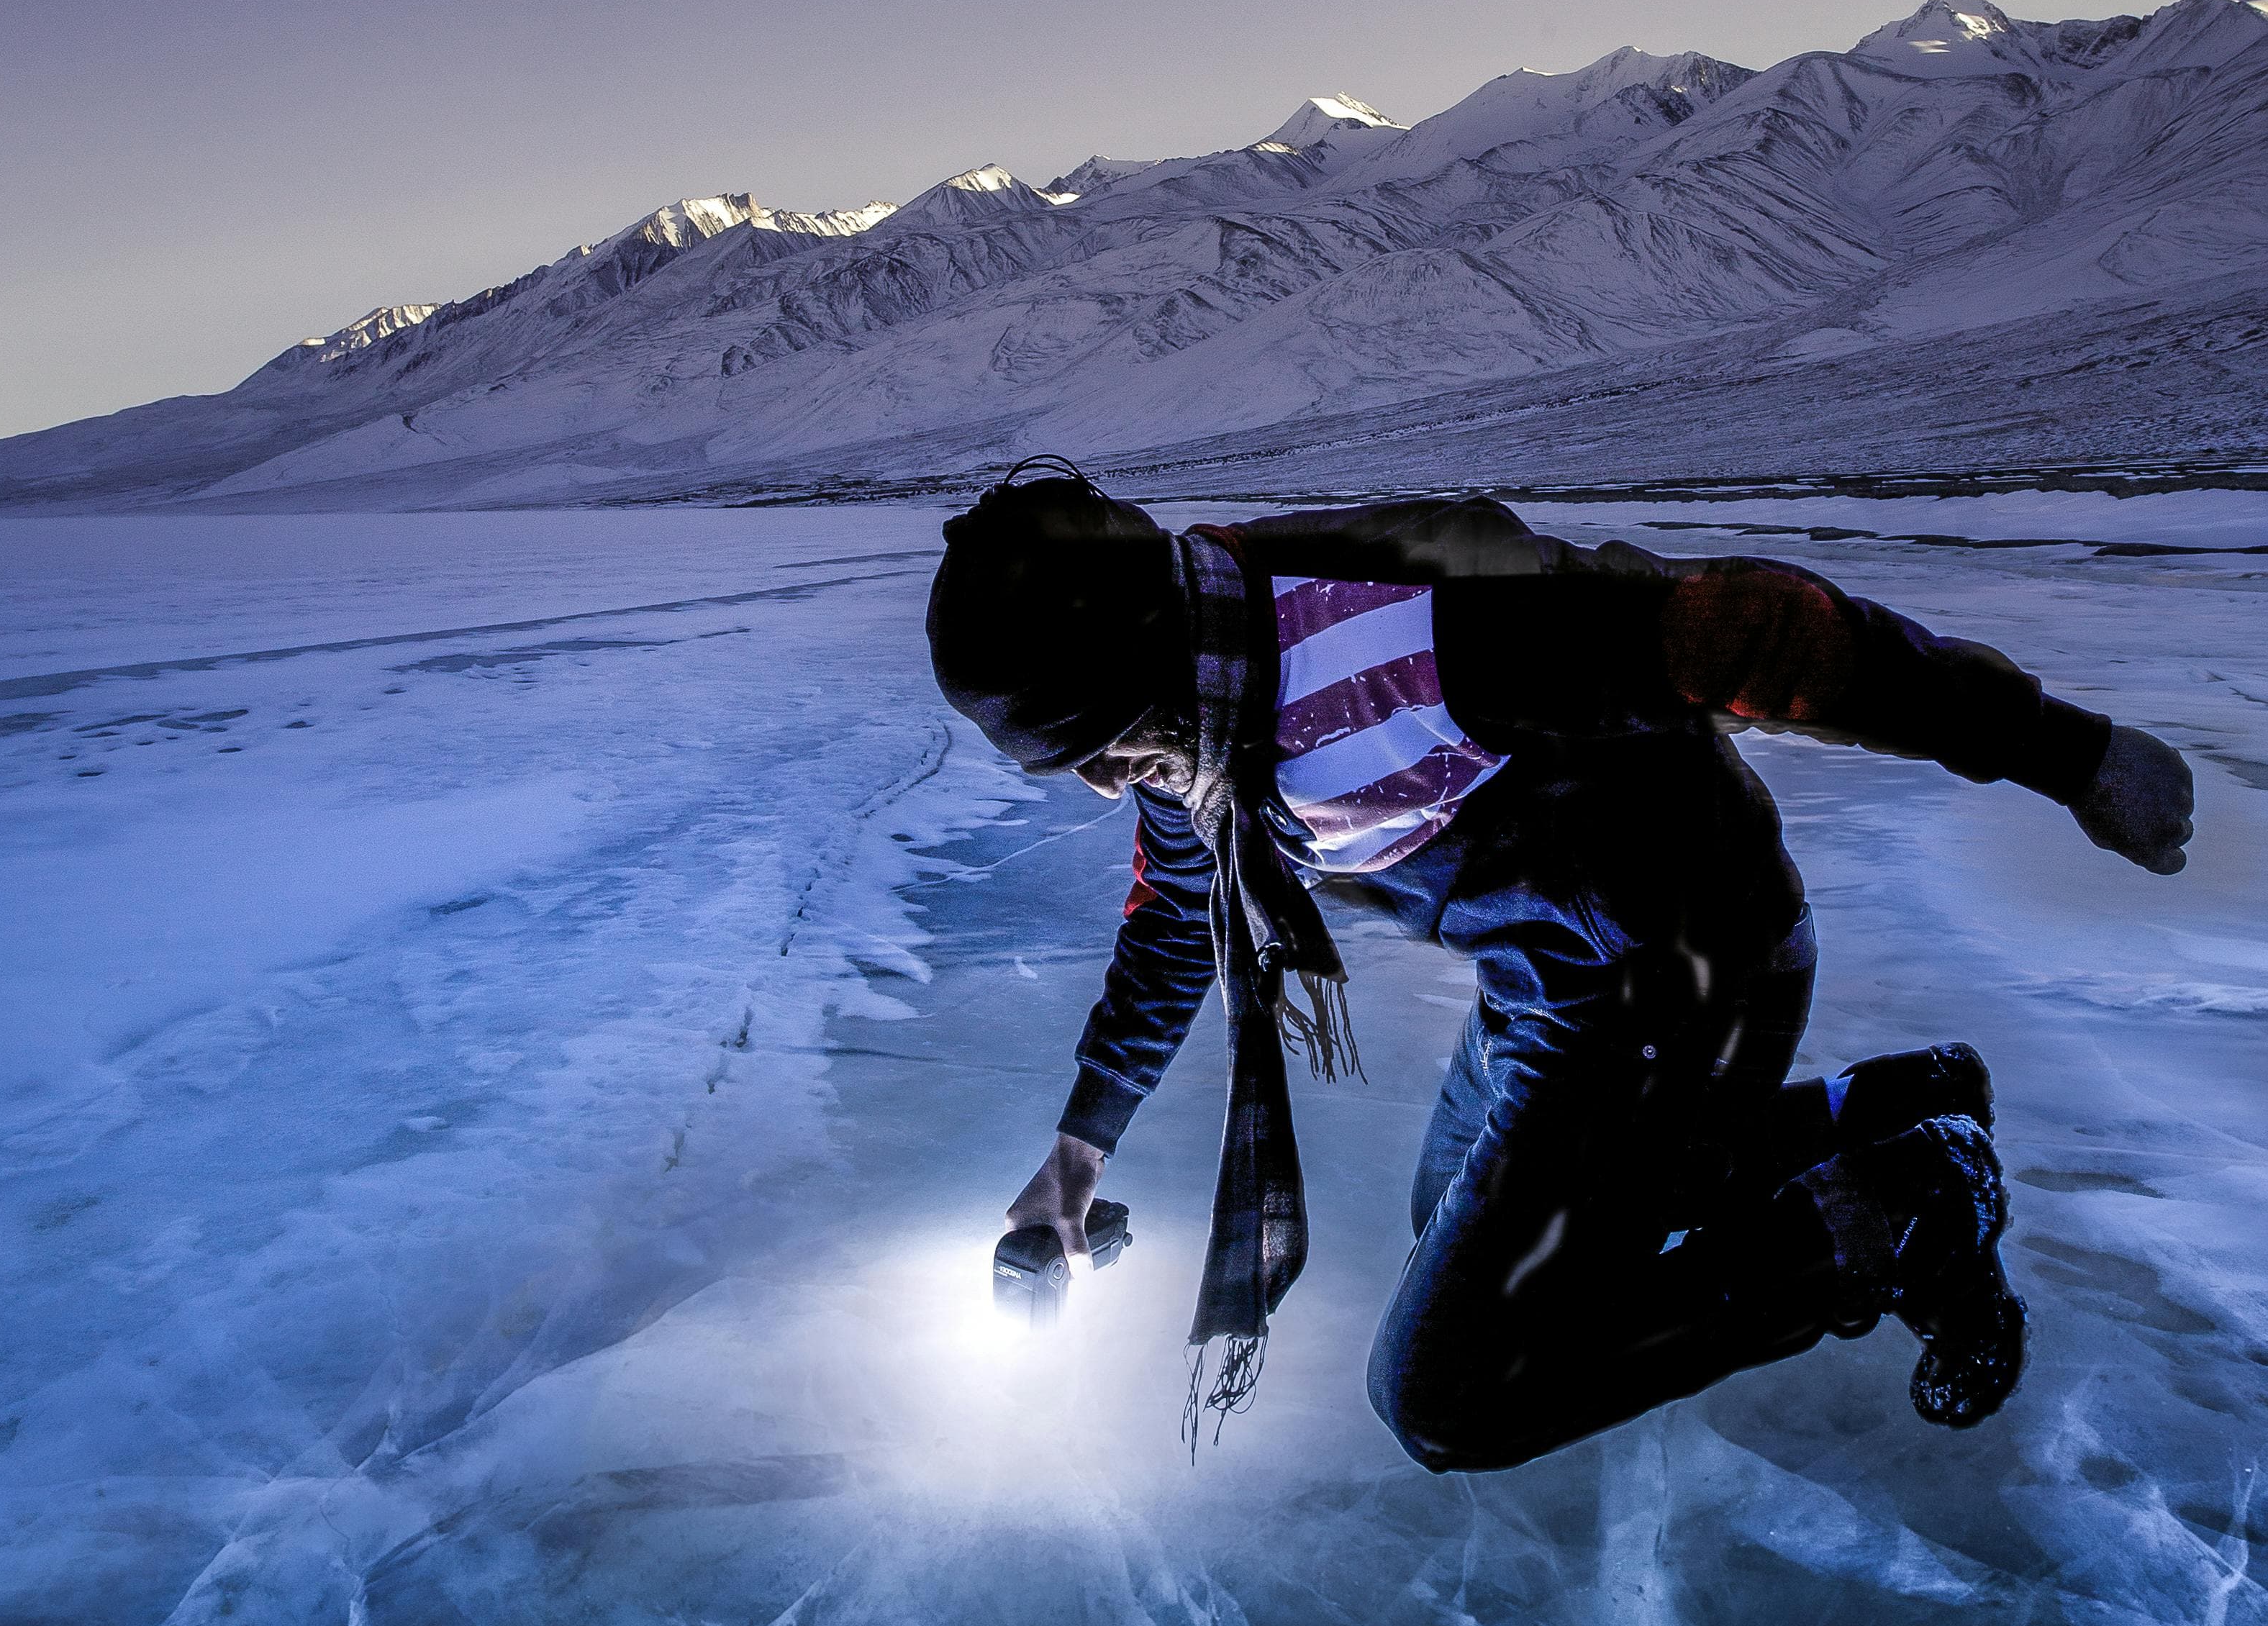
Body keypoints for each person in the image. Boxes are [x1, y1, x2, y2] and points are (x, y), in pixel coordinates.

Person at [924, 463, 2195, 1468]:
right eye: (1070, 764)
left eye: (1100, 745)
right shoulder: (1195, 724)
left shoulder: (1410, 633)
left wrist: (2068, 753)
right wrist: (1075, 1156)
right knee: (1460, 1237)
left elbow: (1758, 632)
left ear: (1144, 661)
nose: (1101, 781)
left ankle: (1902, 1206)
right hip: (1555, 984)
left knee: (1452, 1391)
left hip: (1686, 973)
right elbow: (1169, 927)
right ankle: (1883, 1108)